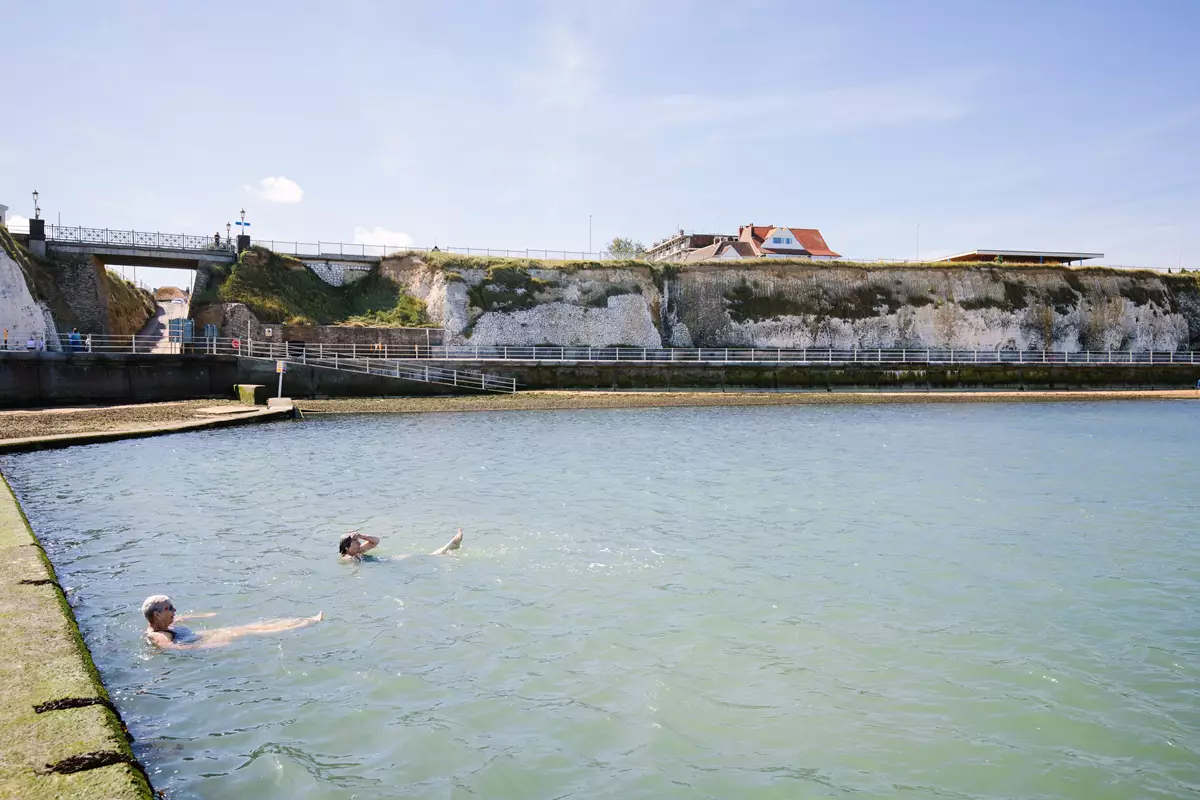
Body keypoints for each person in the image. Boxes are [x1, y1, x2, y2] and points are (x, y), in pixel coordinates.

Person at [141, 594, 322, 650]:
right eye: (169, 608)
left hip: (199, 637)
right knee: (250, 631)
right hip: (201, 641)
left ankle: (303, 620)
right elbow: (173, 649)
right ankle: (306, 623)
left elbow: (181, 617)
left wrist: (202, 616)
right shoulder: (158, 635)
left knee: (251, 627)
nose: (174, 611)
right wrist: (215, 645)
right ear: (156, 615)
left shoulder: (164, 623)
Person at [339, 528, 464, 561]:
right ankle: (450, 547)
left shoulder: (358, 551)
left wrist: (361, 535)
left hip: (388, 562)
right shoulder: (347, 557)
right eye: (355, 541)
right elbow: (351, 568)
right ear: (347, 547)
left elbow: (376, 541)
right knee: (425, 557)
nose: (359, 542)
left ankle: (450, 547)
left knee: (425, 557)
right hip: (387, 565)